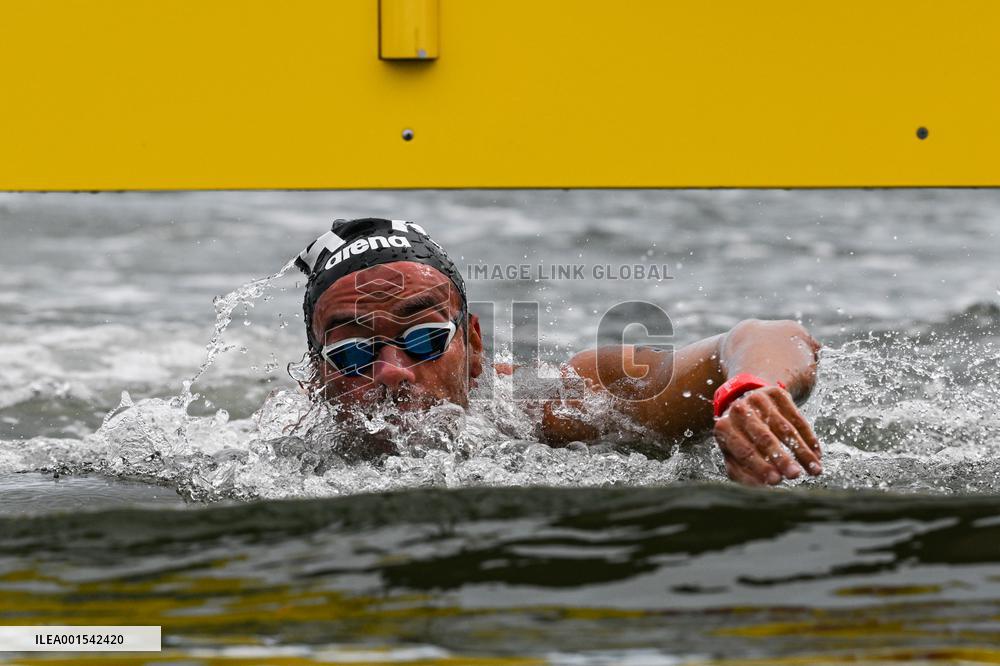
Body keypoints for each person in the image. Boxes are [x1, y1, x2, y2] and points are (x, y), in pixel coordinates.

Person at [296, 218, 822, 486]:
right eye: (353, 353)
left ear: (474, 346)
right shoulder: (274, 457)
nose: (393, 372)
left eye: (425, 340)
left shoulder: (558, 402)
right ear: (316, 378)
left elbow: (768, 336)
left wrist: (752, 387)